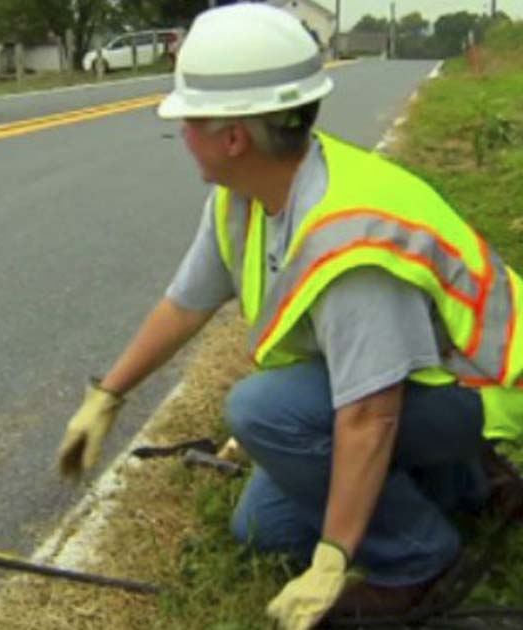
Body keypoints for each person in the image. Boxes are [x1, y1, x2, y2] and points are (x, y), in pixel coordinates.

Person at [54, 4, 523, 629]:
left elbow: (371, 414)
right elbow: (185, 305)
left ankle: (417, 560)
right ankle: (467, 483)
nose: (182, 132)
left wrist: (334, 558)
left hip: (480, 391)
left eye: (189, 118)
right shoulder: (246, 198)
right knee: (264, 526)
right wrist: (109, 395)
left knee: (263, 410)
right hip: (423, 380)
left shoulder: (352, 246)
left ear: (233, 137)